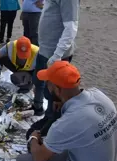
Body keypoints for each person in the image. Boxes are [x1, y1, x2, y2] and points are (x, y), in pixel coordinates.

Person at [16, 61, 117, 161]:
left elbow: (39, 159)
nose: (47, 87)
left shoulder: (68, 122)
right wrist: (65, 107)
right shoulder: (98, 95)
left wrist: (33, 138)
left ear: (57, 89)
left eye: (48, 84)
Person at [28, 0, 80, 135]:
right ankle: (38, 107)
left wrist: (57, 56)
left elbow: (71, 28)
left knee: (54, 93)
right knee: (38, 81)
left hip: (56, 55)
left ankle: (51, 120)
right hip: (44, 50)